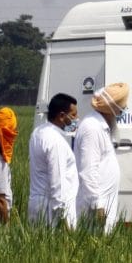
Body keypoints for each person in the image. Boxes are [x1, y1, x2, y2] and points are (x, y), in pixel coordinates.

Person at [75, 82, 129, 232]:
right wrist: (97, 205)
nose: (124, 110)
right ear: (112, 108)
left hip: (104, 203)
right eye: (122, 108)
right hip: (95, 207)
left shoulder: (102, 126)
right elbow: (88, 171)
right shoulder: (92, 128)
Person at [28, 92, 80, 228]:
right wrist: (62, 218)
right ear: (62, 116)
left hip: (37, 204)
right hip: (52, 211)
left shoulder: (38, 133)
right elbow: (58, 181)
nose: (76, 119)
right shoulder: (56, 141)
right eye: (73, 115)